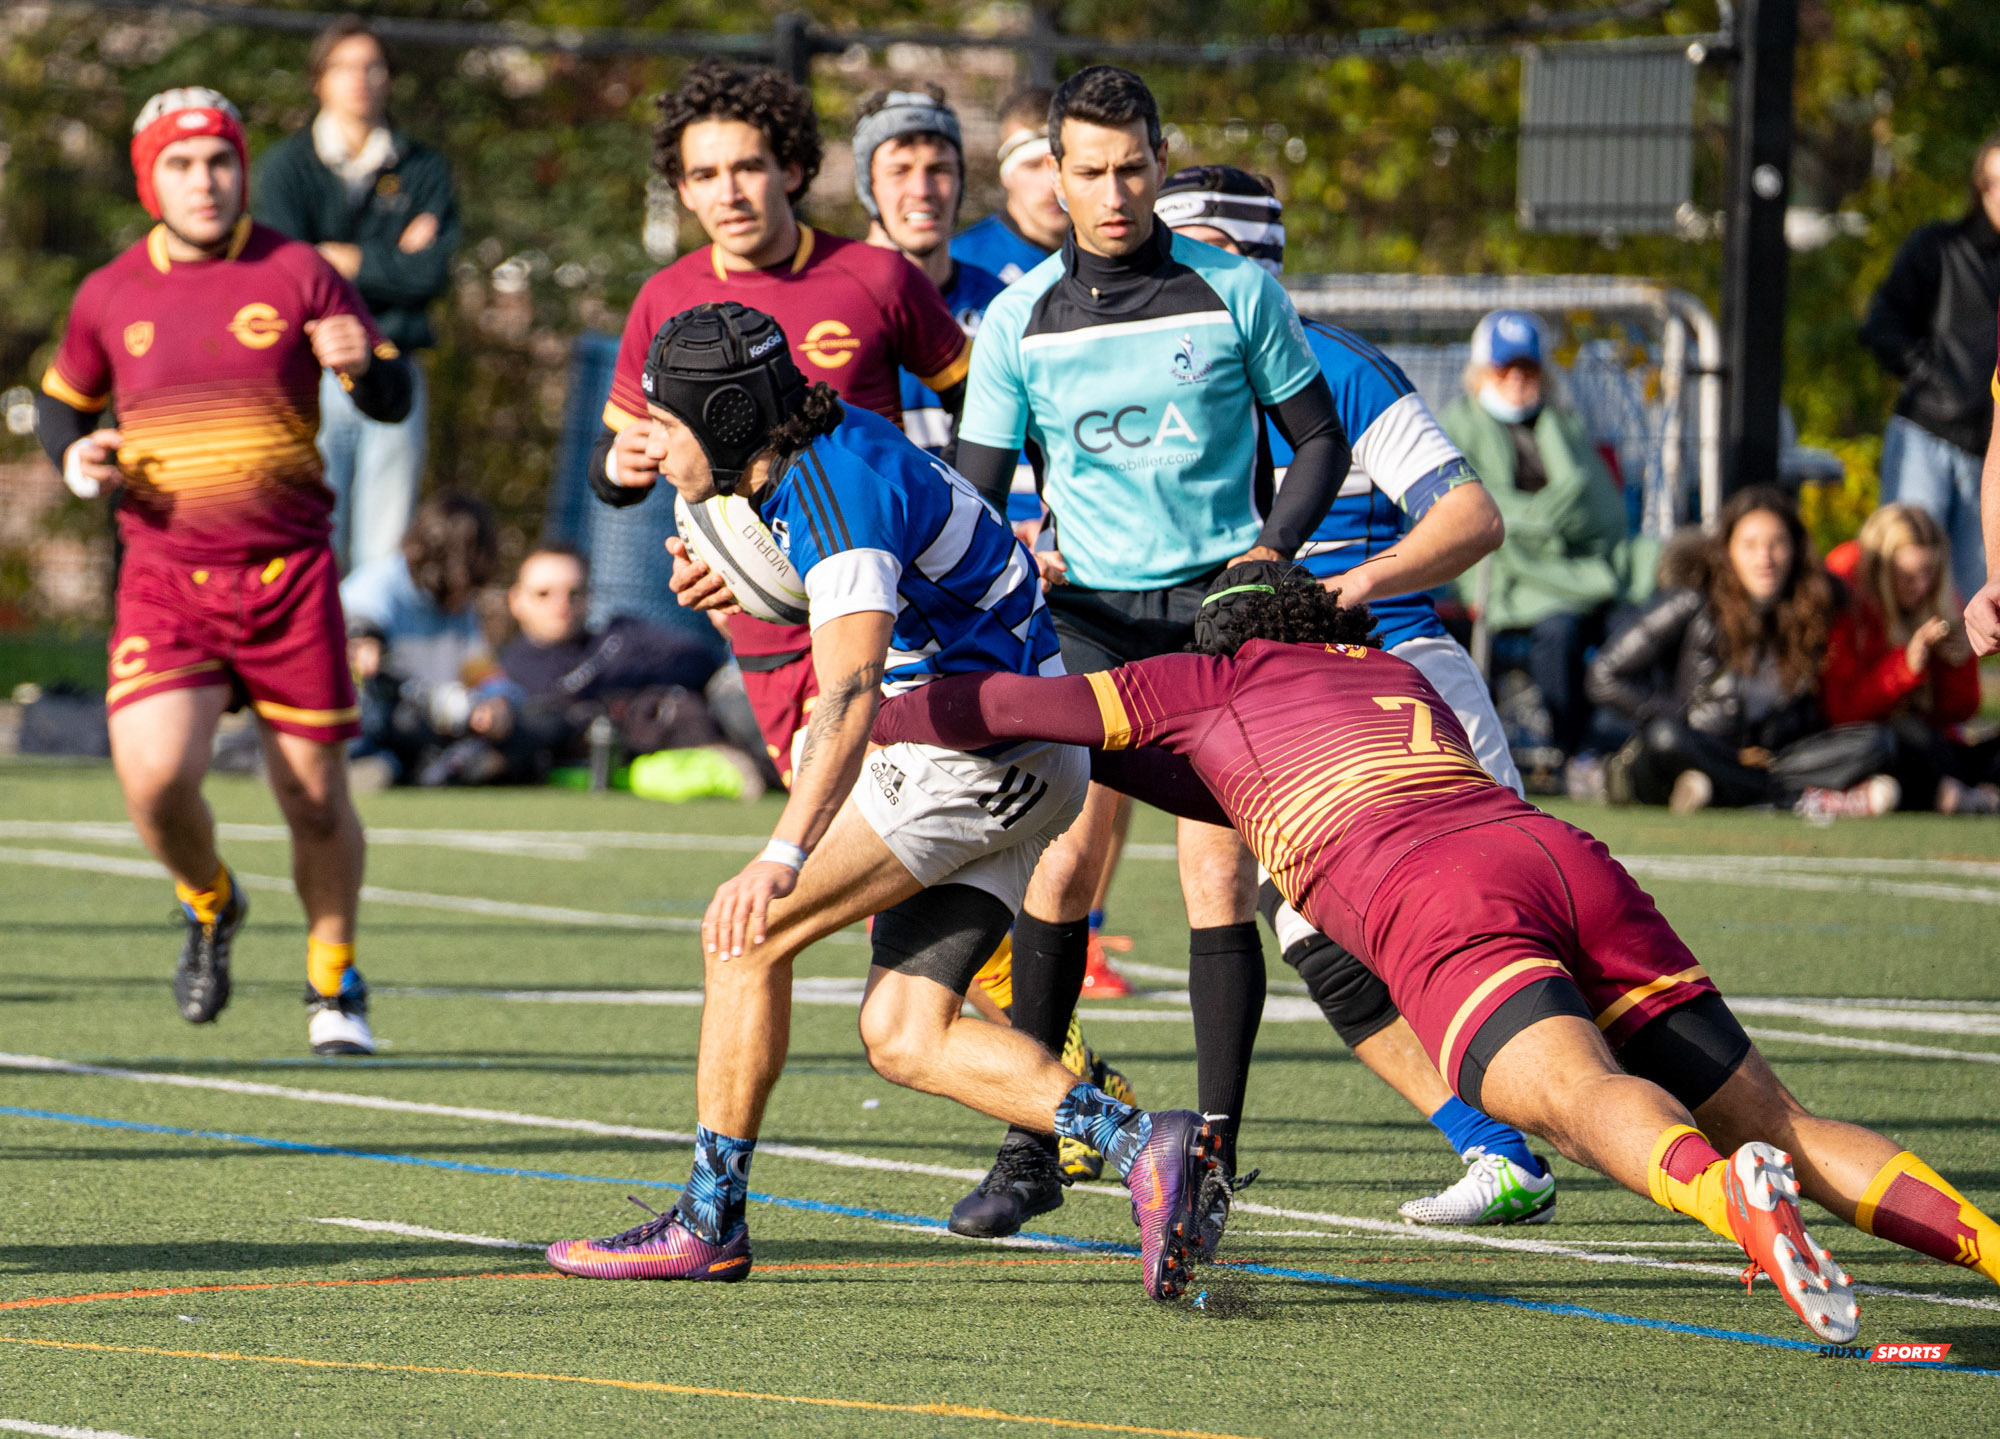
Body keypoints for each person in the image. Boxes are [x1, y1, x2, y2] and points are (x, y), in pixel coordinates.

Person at [871, 561, 2000, 1339]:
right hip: (1558, 856)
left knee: (1571, 1094)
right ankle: (1984, 1245)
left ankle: (1724, 1199)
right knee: (1782, 1117)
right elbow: (1212, 776)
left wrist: (857, 711)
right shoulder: (1391, 673)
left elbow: (1009, 704)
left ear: (1224, 637)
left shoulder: (1199, 682)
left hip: (1435, 895)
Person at [545, 302, 1219, 1302]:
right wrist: (748, 585)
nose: (649, 440)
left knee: (743, 934)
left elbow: (853, 689)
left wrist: (781, 850)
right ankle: (1144, 1145)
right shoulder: (814, 451)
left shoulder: (833, 486)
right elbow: (854, 587)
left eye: (668, 419)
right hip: (1016, 753)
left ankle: (707, 1217)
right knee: (904, 1031)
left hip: (970, 752)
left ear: (728, 420)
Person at [947, 66, 1351, 1232]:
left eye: (1132, 168)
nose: (1113, 192)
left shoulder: (1233, 292)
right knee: (1062, 864)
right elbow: (975, 497)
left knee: (1216, 876)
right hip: (1090, 621)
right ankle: (1036, 1141)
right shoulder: (1016, 318)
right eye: (1089, 171)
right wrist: (1010, 557)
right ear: (1054, 179)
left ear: (1160, 164)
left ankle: (1210, 1159)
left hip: (1221, 618)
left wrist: (1270, 554)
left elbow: (1316, 442)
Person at [1158, 166, 1552, 1227]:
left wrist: (1337, 591)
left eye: (1178, 249)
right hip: (1258, 707)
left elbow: (1469, 519)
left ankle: (1722, 1138)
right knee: (1277, 919)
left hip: (1391, 683)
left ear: (1236, 261)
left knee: (1497, 947)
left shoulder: (1329, 368)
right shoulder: (1165, 376)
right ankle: (1484, 1146)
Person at [35, 86, 412, 1056]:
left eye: (219, 161)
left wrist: (363, 367)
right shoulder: (111, 290)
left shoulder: (296, 270)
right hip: (166, 578)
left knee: (315, 796)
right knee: (156, 780)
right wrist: (76, 456)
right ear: (148, 178)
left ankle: (334, 979)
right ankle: (210, 898)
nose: (203, 180)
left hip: (288, 578)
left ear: (243, 168)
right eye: (180, 163)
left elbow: (389, 390)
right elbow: (61, 406)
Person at [858, 82, 1137, 1179]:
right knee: (910, 903)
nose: (922, 187)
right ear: (862, 183)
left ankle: (1064, 1111)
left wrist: (1056, 529)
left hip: (995, 632)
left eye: (938, 167)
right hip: (858, 635)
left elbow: (1053, 445)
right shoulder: (843, 294)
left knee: (946, 894)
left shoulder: (1009, 300)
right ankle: (1072, 1104)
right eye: (899, 168)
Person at [587, 60, 973, 792]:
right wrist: (621, 463)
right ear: (681, 189)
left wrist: (986, 518)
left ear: (791, 167)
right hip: (757, 608)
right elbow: (610, 466)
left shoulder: (877, 278)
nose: (727, 192)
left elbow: (986, 407)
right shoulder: (664, 299)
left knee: (876, 818)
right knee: (839, 821)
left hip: (882, 600)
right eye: (704, 175)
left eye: (747, 167)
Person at [254, 15, 459, 573]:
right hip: (309, 376)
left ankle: (365, 656)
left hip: (398, 362)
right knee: (311, 536)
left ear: (389, 78)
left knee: (385, 550)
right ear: (319, 78)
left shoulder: (424, 170)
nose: (360, 79)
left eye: (373, 66)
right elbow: (288, 279)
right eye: (345, 66)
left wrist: (345, 259)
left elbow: (431, 276)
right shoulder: (283, 169)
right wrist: (393, 258)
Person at [1588, 487, 1897, 818]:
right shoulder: (1693, 600)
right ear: (1727, 550)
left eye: (1776, 544)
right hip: (1697, 744)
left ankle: (1725, 790)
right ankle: (1788, 798)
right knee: (1665, 738)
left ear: (1795, 549)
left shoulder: (1816, 607)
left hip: (1772, 757)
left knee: (1877, 742)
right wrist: (1681, 715)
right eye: (1749, 545)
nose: (1764, 558)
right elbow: (1603, 675)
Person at [1439, 309, 1652, 760]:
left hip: (1585, 568)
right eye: (1505, 368)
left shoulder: (1562, 423)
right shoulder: (1457, 424)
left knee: (1634, 626)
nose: (1518, 379)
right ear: (1481, 373)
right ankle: (1572, 749)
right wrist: (1547, 522)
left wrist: (1533, 522)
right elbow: (1476, 510)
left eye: (1528, 368)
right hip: (1512, 577)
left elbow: (1601, 511)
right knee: (1559, 631)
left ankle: (1633, 747)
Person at [440, 544, 743, 788]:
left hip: (716, 730)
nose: (561, 604)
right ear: (516, 600)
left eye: (573, 593)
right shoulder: (511, 673)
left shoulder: (624, 633)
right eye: (544, 594)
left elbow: (702, 663)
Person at [1861, 134, 2000, 604]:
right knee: (1901, 580)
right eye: (1997, 182)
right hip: (1927, 437)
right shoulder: (1937, 248)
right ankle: (1892, 677)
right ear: (1980, 187)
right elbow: (1881, 324)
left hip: (1991, 451)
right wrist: (1933, 377)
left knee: (1972, 598)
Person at [1824, 503, 1996, 812]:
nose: (1919, 586)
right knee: (1903, 736)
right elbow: (1842, 713)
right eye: (1905, 575)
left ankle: (1963, 792)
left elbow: (1960, 711)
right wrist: (1906, 667)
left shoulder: (1941, 598)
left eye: (1927, 572)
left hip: (1934, 745)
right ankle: (1958, 794)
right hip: (1871, 744)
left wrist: (1951, 663)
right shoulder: (1848, 601)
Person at [340, 492, 498, 786]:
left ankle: (392, 767)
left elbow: (479, 667)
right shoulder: (383, 581)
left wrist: (496, 700)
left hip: (426, 717)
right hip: (376, 712)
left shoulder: (461, 604)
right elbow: (359, 627)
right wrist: (365, 643)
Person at [950, 86, 1068, 284]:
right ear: (1006, 175)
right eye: (1032, 166)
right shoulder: (958, 261)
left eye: (1061, 164)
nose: (1051, 185)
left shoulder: (1112, 256)